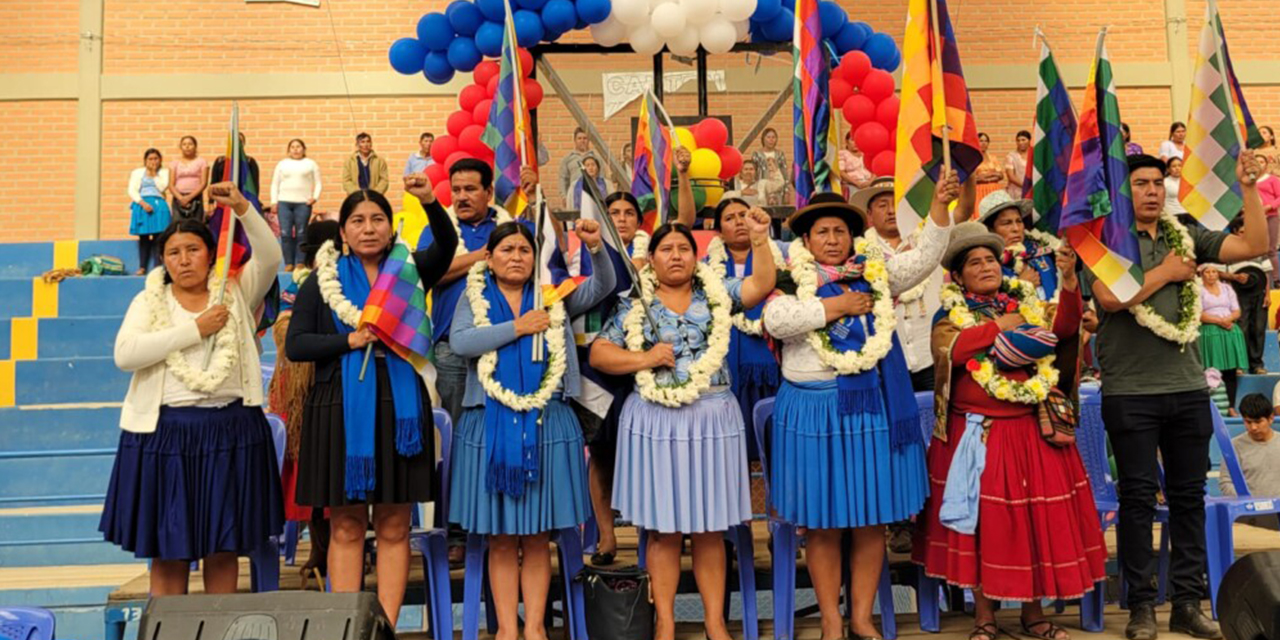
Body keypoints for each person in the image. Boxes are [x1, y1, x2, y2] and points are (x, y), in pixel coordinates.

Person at [762, 172, 959, 640]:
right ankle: (831, 619)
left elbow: (924, 260)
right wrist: (838, 307)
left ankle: (862, 618)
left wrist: (939, 207)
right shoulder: (788, 276)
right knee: (823, 524)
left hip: (869, 410)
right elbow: (775, 319)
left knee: (870, 521)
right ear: (805, 240)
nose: (832, 239)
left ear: (853, 236)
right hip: (810, 413)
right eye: (822, 232)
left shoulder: (874, 272)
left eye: (840, 231)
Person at [1087, 152, 1266, 640]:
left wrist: (1249, 187)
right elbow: (1109, 298)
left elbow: (1255, 243)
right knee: (1138, 498)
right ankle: (1142, 605)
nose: (1149, 191)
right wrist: (1167, 273)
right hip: (1130, 392)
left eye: (1155, 183)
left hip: (1188, 389)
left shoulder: (1183, 233)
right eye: (1139, 183)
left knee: (1190, 498)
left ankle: (1188, 603)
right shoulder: (1103, 238)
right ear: (1123, 192)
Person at [590, 214, 777, 640]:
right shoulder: (634, 303)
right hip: (656, 421)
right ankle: (666, 622)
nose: (676, 256)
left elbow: (760, 285)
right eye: (666, 249)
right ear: (650, 259)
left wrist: (762, 240)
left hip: (712, 418)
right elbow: (600, 354)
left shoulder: (717, 294)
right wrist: (645, 359)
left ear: (696, 256)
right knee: (664, 528)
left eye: (684, 249)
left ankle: (715, 623)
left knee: (710, 528)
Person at [915, 221, 1104, 640]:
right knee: (985, 526)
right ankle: (984, 617)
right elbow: (954, 350)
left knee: (1034, 525)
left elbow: (1067, 328)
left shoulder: (1028, 303)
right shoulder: (950, 315)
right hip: (978, 435)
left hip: (1031, 433)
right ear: (959, 277)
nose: (986, 267)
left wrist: (1070, 281)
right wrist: (1004, 325)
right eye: (975, 263)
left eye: (990, 260)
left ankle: (1033, 616)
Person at [288, 177, 457, 627]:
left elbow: (446, 243)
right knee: (345, 525)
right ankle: (347, 628)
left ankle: (384, 627)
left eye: (378, 219)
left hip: (400, 403)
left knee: (394, 525)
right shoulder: (320, 282)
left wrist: (428, 200)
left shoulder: (408, 273)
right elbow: (297, 344)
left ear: (391, 227)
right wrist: (349, 339)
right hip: (339, 407)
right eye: (357, 221)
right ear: (342, 232)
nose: (368, 228)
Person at [100, 182, 284, 595]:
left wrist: (241, 208)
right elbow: (126, 354)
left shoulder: (234, 291)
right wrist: (193, 330)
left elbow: (271, 256)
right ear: (163, 261)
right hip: (166, 435)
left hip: (232, 430)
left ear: (210, 254)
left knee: (224, 547)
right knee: (168, 550)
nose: (184, 260)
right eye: (173, 253)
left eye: (193, 250)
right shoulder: (148, 303)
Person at [448, 217, 615, 640]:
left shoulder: (552, 297)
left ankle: (536, 628)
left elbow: (602, 288)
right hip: (490, 422)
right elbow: (462, 342)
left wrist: (595, 248)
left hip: (548, 423)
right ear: (489, 258)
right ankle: (507, 629)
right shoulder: (475, 296)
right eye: (507, 250)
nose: (516, 257)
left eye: (524, 250)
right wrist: (518, 327)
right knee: (502, 538)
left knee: (538, 536)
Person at [416, 159, 539, 426]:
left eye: (470, 189)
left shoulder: (511, 226)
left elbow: (554, 247)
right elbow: (434, 272)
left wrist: (536, 200)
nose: (461, 197)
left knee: (508, 422)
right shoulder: (438, 230)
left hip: (509, 341)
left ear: (489, 192)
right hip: (454, 349)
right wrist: (489, 252)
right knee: (461, 429)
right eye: (456, 190)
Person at [267, 219, 339, 584]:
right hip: (296, 388)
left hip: (336, 385)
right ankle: (320, 546)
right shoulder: (297, 285)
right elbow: (283, 332)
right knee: (302, 467)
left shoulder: (353, 282)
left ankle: (348, 544)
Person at [704, 198, 787, 460]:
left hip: (767, 360)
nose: (739, 222)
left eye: (743, 214)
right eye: (729, 218)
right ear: (718, 230)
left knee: (773, 439)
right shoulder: (706, 267)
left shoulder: (777, 256)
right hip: (724, 361)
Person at [855, 176, 950, 392]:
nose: (891, 211)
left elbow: (960, 212)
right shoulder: (857, 255)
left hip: (930, 355)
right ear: (869, 215)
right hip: (886, 361)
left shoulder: (927, 241)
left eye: (896, 205)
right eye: (882, 205)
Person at [978, 191, 1060, 301]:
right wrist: (1021, 286)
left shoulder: (1042, 252)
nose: (1016, 228)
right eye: (1006, 223)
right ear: (991, 230)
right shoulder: (988, 266)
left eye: (1019, 221)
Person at [1219, 393, 1280, 528]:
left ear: (1270, 418)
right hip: (1250, 515)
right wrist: (1248, 501)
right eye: (1248, 422)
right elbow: (1225, 482)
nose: (1253, 427)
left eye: (1258, 422)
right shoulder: (1234, 446)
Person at [1224, 215, 1271, 373]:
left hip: (1259, 293)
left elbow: (1266, 274)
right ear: (1235, 233)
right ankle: (1241, 363)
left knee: (1258, 329)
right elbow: (1226, 277)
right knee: (1241, 328)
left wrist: (1267, 295)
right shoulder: (1229, 253)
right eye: (1242, 231)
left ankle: (1257, 364)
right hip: (1239, 295)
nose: (1245, 234)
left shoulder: (1258, 249)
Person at [1199, 263, 1248, 410]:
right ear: (1202, 274)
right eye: (1208, 272)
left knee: (1230, 371)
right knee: (1211, 370)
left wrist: (1228, 319)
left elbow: (1236, 310)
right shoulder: (1198, 290)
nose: (1211, 274)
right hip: (1210, 331)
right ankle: (1211, 407)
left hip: (1229, 330)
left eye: (1214, 272)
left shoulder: (1227, 288)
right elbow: (1199, 313)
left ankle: (1231, 406)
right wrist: (1219, 321)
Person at [271, 139, 324, 273]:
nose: (295, 149)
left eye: (298, 147)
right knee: (285, 234)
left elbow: (318, 183)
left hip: (303, 204)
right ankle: (289, 263)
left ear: (304, 149)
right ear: (289, 150)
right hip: (284, 203)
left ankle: (301, 262)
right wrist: (274, 201)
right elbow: (275, 184)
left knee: (301, 233)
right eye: (292, 147)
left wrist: (315, 198)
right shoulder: (282, 164)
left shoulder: (310, 164)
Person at [128, 148, 172, 274]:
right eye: (150, 159)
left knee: (159, 237)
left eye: (156, 159)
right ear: (145, 160)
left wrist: (154, 173)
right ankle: (142, 266)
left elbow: (162, 187)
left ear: (160, 160)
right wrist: (142, 203)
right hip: (142, 205)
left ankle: (158, 267)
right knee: (144, 237)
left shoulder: (164, 172)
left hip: (159, 205)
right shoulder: (137, 172)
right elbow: (132, 190)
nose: (153, 161)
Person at [170, 136, 209, 221]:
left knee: (195, 226)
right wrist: (181, 198)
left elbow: (204, 183)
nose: (187, 146)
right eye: (184, 144)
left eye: (190, 144)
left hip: (195, 198)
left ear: (195, 146)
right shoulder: (174, 163)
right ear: (180, 147)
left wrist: (189, 197)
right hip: (178, 198)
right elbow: (171, 185)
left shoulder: (202, 162)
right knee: (178, 226)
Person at [559, 128, 598, 207]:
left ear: (588, 140)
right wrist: (564, 196)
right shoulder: (568, 158)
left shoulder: (596, 157)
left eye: (585, 138)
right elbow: (563, 178)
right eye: (579, 138)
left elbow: (602, 176)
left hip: (593, 197)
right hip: (574, 196)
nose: (582, 141)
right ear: (575, 140)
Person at [753, 128, 791, 206]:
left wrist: (787, 191)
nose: (771, 140)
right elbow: (754, 173)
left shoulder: (780, 154)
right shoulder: (757, 154)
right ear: (763, 139)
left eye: (773, 137)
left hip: (778, 189)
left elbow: (785, 173)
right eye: (768, 137)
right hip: (762, 189)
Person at [973, 132, 1006, 203]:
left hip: (994, 189)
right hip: (979, 190)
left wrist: (985, 176)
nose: (984, 143)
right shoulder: (973, 159)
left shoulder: (993, 158)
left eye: (986, 141)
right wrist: (993, 174)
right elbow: (973, 178)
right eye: (981, 141)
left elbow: (1000, 175)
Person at [1004, 130, 1031, 198]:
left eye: (1023, 140)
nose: (1020, 142)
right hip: (1016, 191)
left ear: (1029, 140)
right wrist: (1025, 187)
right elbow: (1011, 176)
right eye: (1018, 140)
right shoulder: (1011, 156)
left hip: (1032, 190)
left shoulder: (1034, 155)